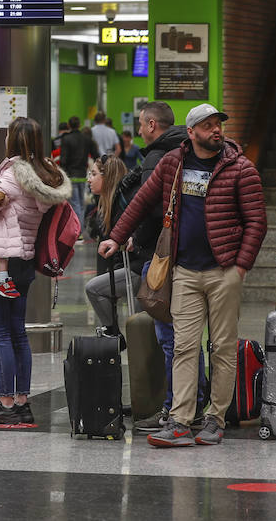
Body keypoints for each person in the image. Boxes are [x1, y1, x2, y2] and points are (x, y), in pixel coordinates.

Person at [101, 103, 266, 448]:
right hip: (184, 271)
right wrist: (116, 237)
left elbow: (256, 222)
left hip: (224, 272)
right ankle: (180, 420)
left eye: (218, 124)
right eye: (207, 126)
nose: (215, 130)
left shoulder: (240, 168)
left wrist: (240, 267)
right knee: (183, 346)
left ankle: (215, 418)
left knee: (221, 347)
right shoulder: (172, 164)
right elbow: (140, 203)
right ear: (191, 133)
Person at [0, 118, 70, 425]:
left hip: (1, 261)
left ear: (15, 140)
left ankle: (6, 403)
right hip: (24, 261)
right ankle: (22, 401)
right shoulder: (44, 175)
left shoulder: (12, 174)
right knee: (17, 332)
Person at [115, 100, 199, 434]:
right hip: (189, 255)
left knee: (171, 335)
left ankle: (174, 408)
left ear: (152, 125)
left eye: (140, 124)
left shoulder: (156, 158)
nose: (138, 131)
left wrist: (135, 236)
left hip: (162, 256)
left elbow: (151, 207)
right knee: (188, 336)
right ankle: (193, 401)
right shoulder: (186, 151)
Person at [82, 155, 132, 333]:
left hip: (135, 268)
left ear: (107, 177)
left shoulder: (122, 206)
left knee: (93, 289)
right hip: (119, 268)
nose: (89, 179)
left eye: (93, 174)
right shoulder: (104, 205)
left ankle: (113, 334)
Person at [58, 116, 92, 217]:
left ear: (69, 125)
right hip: (83, 175)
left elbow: (63, 159)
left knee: (75, 204)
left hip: (71, 176)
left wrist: (62, 174)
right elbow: (94, 153)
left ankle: (78, 230)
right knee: (82, 203)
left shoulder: (66, 139)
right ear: (79, 125)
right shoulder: (86, 139)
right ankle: (81, 228)